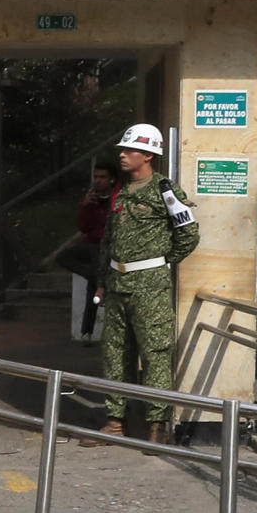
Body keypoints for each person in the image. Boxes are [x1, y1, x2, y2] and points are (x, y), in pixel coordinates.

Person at [81, 123, 199, 447]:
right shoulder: (119, 190)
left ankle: (156, 428)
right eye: (122, 149)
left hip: (151, 288)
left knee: (155, 355)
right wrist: (103, 282)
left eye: (128, 150)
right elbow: (108, 240)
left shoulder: (166, 190)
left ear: (148, 155)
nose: (122, 154)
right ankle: (115, 422)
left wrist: (161, 263)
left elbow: (189, 235)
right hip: (118, 285)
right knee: (115, 355)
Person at [52, 164, 116, 283]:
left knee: (98, 260)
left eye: (102, 177)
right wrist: (85, 207)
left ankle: (97, 279)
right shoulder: (91, 199)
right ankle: (95, 277)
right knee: (63, 257)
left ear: (111, 179)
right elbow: (83, 227)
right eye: (95, 177)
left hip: (109, 245)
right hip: (92, 244)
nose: (98, 181)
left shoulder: (117, 198)